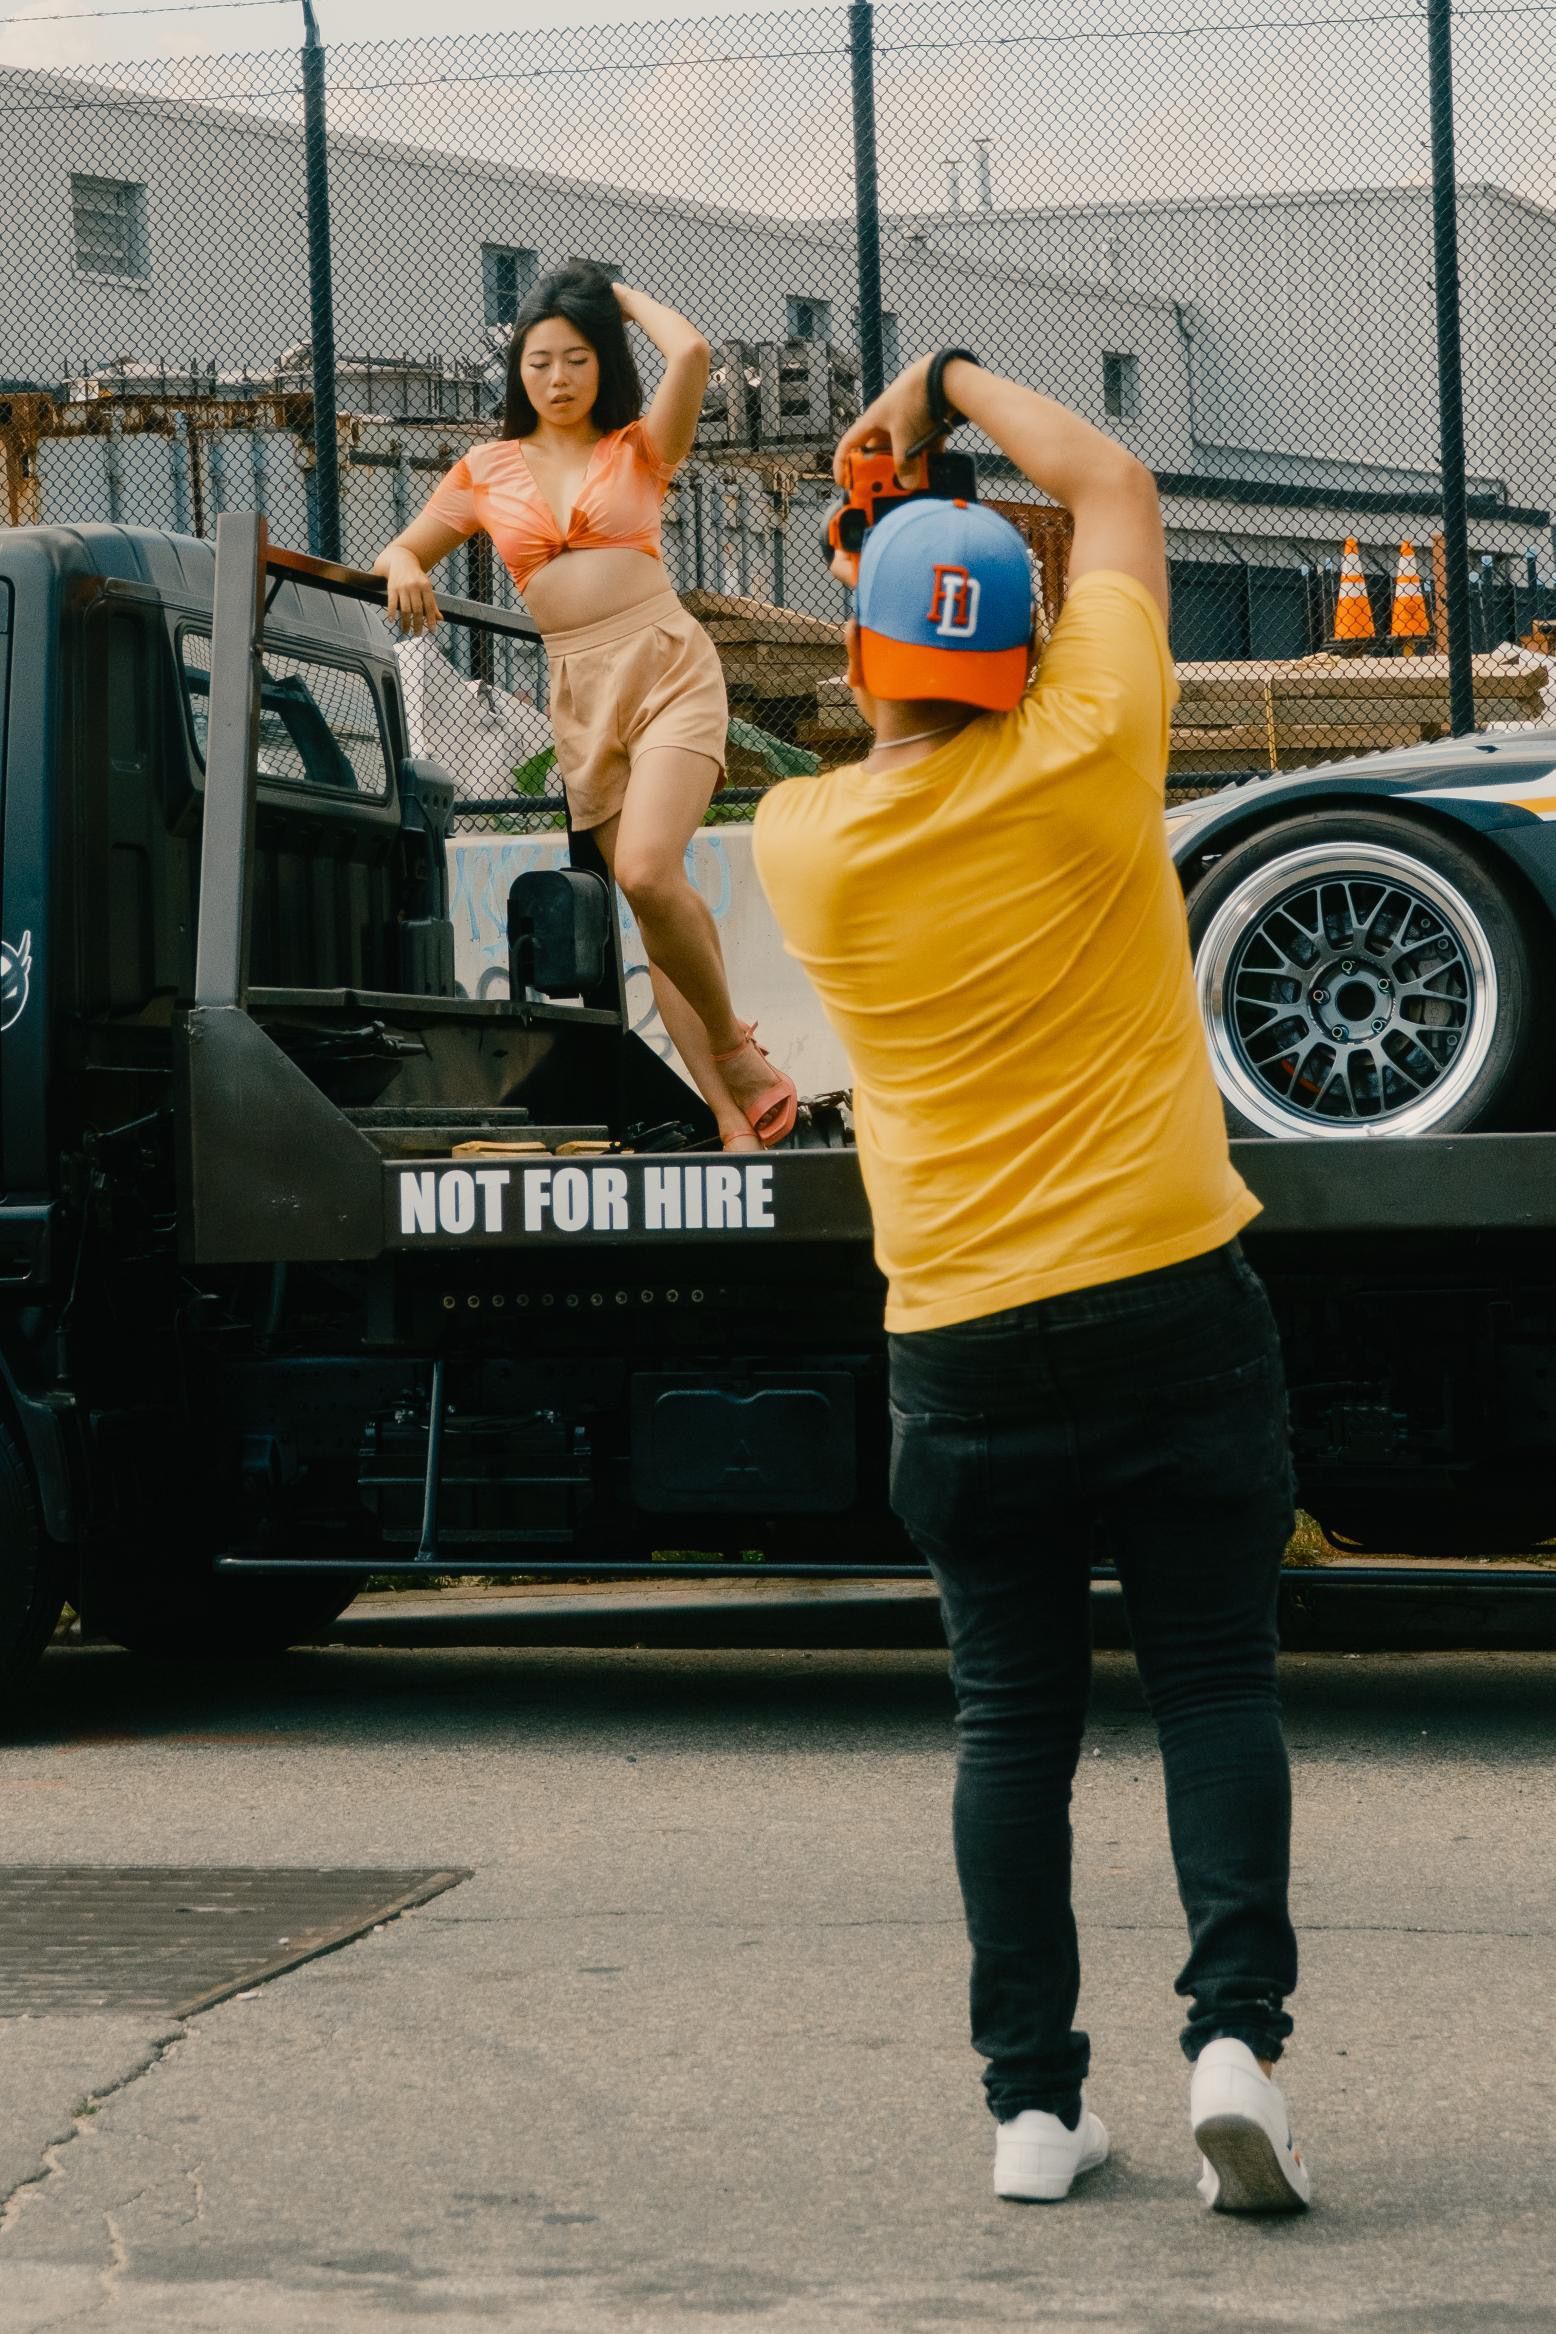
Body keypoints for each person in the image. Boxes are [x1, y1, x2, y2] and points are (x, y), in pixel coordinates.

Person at [752, 351, 1310, 2215]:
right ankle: (1233, 2036)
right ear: (1023, 649)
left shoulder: (807, 845)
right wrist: (949, 386)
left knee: (1013, 1716)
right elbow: (1121, 489)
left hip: (963, 1339)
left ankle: (1031, 2106)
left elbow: (887, 684)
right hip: (1169, 1288)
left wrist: (874, 518)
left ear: (861, 660)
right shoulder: (1094, 745)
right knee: (1218, 1678)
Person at [373, 261, 797, 1152]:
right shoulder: (484, 469)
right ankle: (731, 1118)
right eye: (538, 362)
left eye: (575, 358)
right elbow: (401, 549)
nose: (557, 379)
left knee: (646, 869)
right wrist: (410, 564)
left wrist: (616, 293)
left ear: (602, 361)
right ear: (515, 373)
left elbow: (690, 352)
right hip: (580, 695)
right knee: (653, 911)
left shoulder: (640, 448)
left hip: (667, 669)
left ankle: (735, 1051)